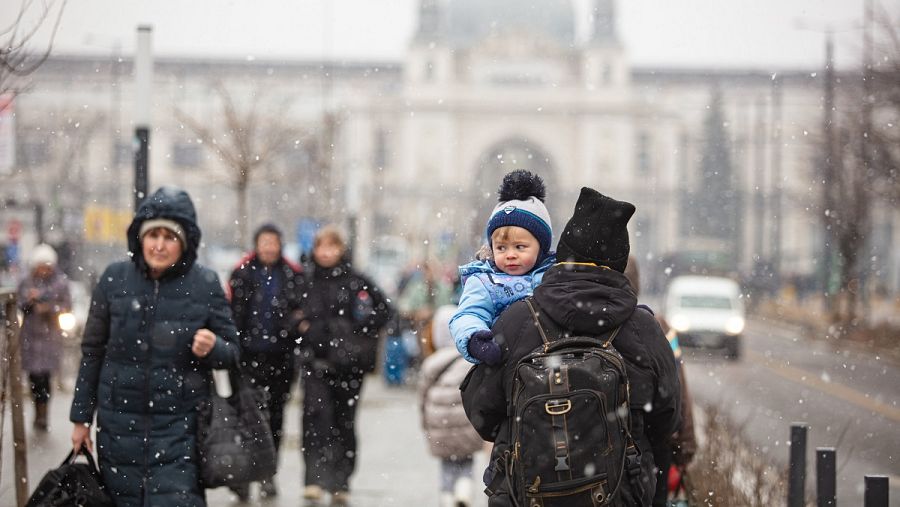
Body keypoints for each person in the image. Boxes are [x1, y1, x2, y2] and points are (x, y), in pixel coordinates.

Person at [461, 187, 681, 506]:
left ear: (562, 254)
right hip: (620, 493)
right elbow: (667, 418)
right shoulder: (643, 328)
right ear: (620, 263)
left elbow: (481, 411)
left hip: (528, 494)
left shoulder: (518, 319)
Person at [70, 186, 241, 507]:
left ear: (185, 243)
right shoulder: (114, 279)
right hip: (119, 429)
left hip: (182, 430)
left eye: (170, 237)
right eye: (153, 235)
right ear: (140, 237)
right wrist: (81, 420)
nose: (159, 245)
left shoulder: (204, 284)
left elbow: (233, 352)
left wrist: (214, 347)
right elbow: (92, 352)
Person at [296, 225, 393, 505]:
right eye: (321, 246)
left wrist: (358, 332)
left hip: (349, 366)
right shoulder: (306, 280)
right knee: (315, 420)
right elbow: (288, 312)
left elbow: (385, 310)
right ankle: (314, 480)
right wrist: (302, 327)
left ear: (341, 249)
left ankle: (340, 482)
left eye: (332, 246)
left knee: (344, 423)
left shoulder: (356, 280)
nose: (325, 253)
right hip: (315, 363)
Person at [227, 223, 303, 499]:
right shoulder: (242, 273)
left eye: (274, 242)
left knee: (275, 419)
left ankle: (267, 473)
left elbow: (301, 311)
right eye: (264, 242)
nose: (269, 247)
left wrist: (292, 329)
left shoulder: (292, 275)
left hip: (281, 359)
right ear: (256, 244)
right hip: (248, 358)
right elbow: (231, 313)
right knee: (246, 417)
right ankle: (243, 476)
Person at [450, 169, 556, 366]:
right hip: (504, 361)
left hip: (552, 361)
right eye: (501, 248)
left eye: (520, 247)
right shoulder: (484, 282)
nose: (510, 254)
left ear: (541, 248)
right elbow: (468, 314)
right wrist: (475, 338)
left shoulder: (555, 276)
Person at [624, 255, 697, 506]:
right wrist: (685, 444)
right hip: (654, 447)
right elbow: (677, 389)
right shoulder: (657, 326)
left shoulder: (584, 322)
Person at [418, 305, 483, 507]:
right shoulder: (470, 361)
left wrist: (425, 423)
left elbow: (422, 396)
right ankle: (464, 489)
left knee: (446, 463)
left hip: (440, 422)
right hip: (466, 421)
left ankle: (446, 495)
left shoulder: (431, 362)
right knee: (466, 459)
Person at [17, 243, 71, 431]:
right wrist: (30, 301)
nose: (44, 271)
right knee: (34, 378)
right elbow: (19, 304)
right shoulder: (26, 281)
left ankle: (43, 414)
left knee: (45, 378)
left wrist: (48, 307)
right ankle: (37, 411)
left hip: (50, 336)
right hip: (31, 337)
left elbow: (66, 306)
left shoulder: (60, 283)